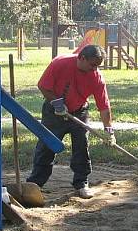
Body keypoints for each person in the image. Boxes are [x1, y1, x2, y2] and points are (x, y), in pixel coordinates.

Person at [27, 44, 114, 199]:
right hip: (54, 112)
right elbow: (43, 86)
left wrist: (109, 131)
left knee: (81, 146)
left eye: (97, 66)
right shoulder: (60, 63)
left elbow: (104, 107)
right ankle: (35, 184)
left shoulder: (97, 77)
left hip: (79, 112)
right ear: (82, 58)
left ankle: (81, 183)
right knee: (46, 146)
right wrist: (57, 102)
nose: (95, 69)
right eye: (92, 65)